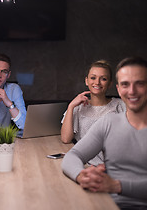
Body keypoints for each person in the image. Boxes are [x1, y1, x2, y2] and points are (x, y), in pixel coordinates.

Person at [61, 57, 147, 209]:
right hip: (105, 201)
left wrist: (116, 186)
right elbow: (72, 155)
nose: (132, 91)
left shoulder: (116, 109)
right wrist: (82, 176)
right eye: (125, 84)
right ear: (119, 89)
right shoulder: (108, 122)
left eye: (140, 83)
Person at [60, 60, 125, 166]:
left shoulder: (121, 105)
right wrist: (71, 106)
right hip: (89, 167)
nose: (97, 82)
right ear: (86, 81)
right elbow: (66, 139)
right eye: (93, 78)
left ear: (110, 84)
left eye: (103, 79)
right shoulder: (78, 107)